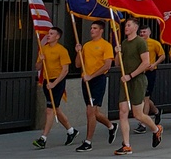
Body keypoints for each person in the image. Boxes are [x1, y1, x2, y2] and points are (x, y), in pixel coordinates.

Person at [114, 17, 163, 154]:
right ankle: (126, 145)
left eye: (129, 25)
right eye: (126, 26)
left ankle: (156, 129)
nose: (126, 28)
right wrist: (117, 52)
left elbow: (146, 63)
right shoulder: (123, 43)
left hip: (137, 80)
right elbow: (118, 64)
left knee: (138, 114)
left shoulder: (140, 42)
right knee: (122, 111)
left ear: (135, 27)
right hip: (125, 81)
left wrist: (131, 75)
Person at [74, 20, 117, 152]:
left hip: (97, 80)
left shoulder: (106, 45)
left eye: (95, 28)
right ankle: (111, 126)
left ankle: (88, 142)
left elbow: (107, 65)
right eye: (91, 28)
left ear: (101, 30)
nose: (91, 30)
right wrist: (78, 52)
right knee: (94, 112)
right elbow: (77, 65)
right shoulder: (86, 45)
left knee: (90, 111)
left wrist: (91, 76)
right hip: (86, 81)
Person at [33, 27, 79, 149]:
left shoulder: (62, 50)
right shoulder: (44, 49)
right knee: (55, 109)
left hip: (57, 82)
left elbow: (65, 70)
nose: (48, 35)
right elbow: (37, 67)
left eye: (51, 34)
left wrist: (54, 84)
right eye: (48, 33)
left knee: (50, 110)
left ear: (57, 37)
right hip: (47, 81)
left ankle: (43, 138)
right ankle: (71, 131)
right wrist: (41, 61)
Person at [134, 25, 164, 133]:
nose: (142, 34)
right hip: (139, 72)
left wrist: (154, 64)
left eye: (144, 32)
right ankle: (156, 111)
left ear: (149, 32)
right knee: (143, 97)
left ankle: (143, 123)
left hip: (150, 72)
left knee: (145, 98)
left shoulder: (154, 43)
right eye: (140, 32)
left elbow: (162, 55)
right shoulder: (136, 43)